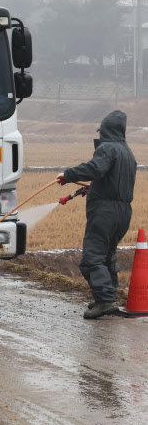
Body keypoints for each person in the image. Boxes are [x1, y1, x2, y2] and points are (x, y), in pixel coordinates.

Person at [57, 110, 137, 319]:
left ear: (106, 130)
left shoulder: (107, 148)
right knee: (107, 256)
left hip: (105, 213)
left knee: (92, 258)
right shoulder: (127, 152)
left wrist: (68, 175)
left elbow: (95, 168)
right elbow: (112, 180)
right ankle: (107, 296)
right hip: (123, 212)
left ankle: (105, 300)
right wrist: (89, 189)